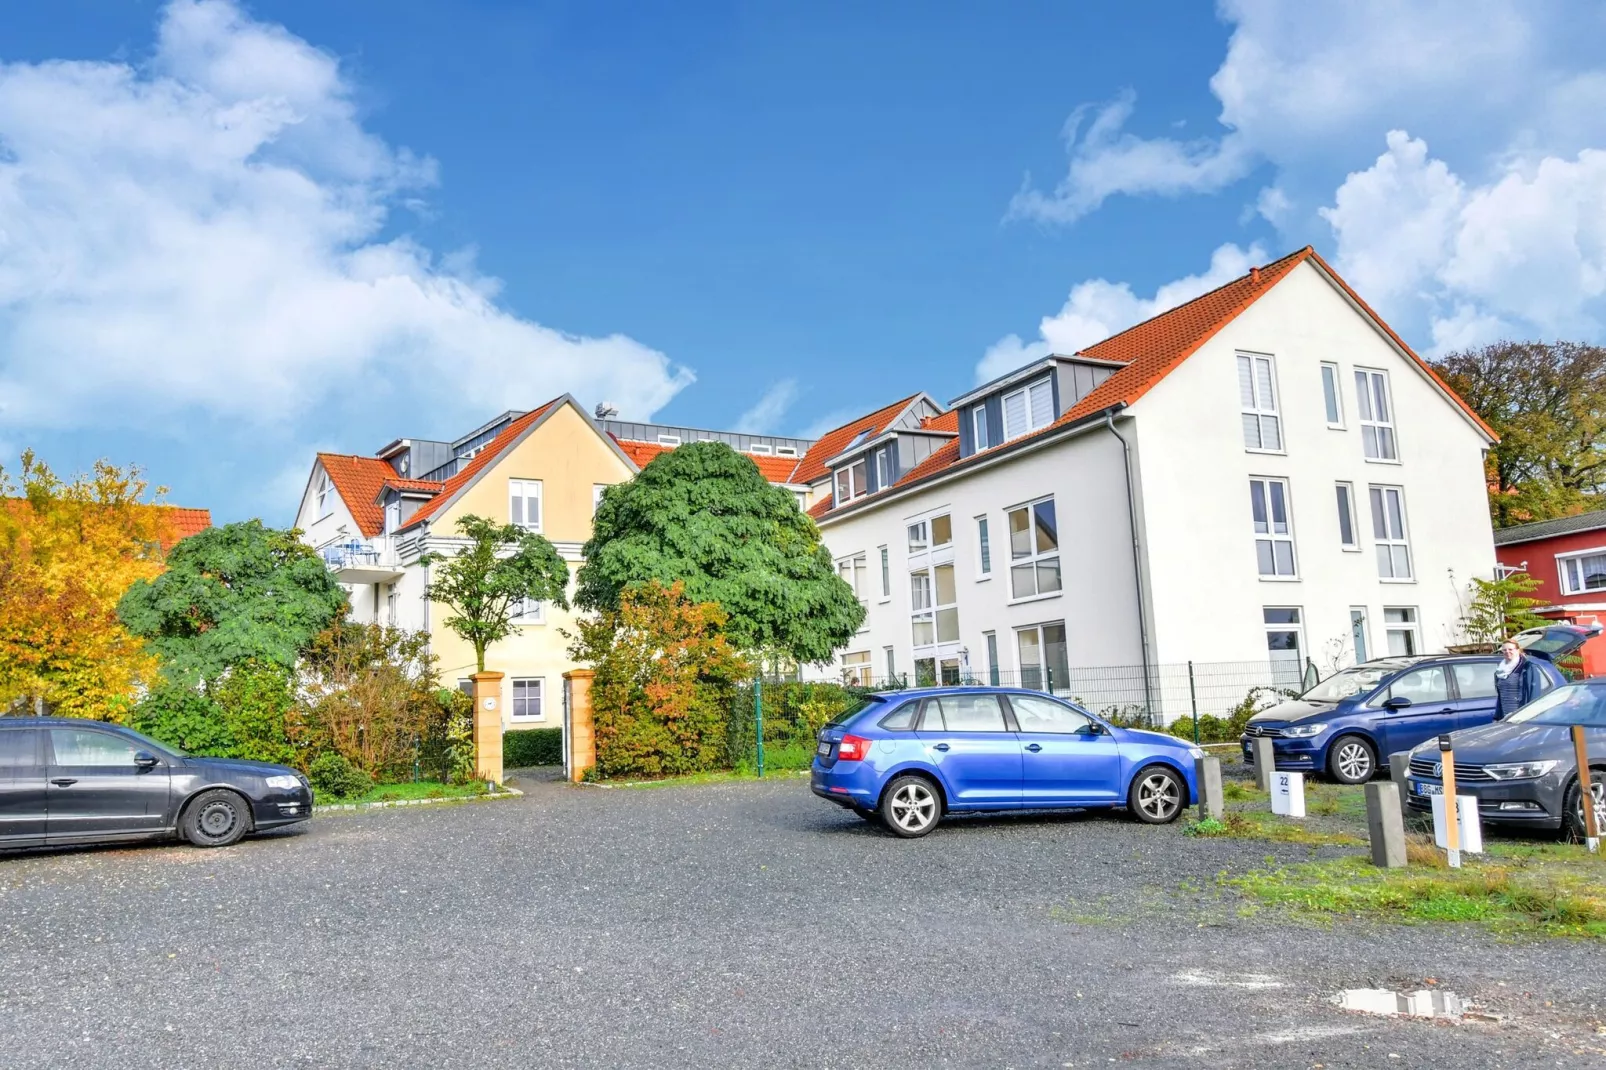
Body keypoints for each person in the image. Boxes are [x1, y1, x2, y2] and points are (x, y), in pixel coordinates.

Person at [1493, 638, 1543, 720]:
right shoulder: (1500, 670)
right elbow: (1501, 696)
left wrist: (1530, 716)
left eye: (1510, 649)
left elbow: (1534, 694)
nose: (1507, 652)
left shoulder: (1527, 667)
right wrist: (1497, 716)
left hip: (1521, 715)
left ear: (1517, 650)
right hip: (1505, 715)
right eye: (1504, 650)